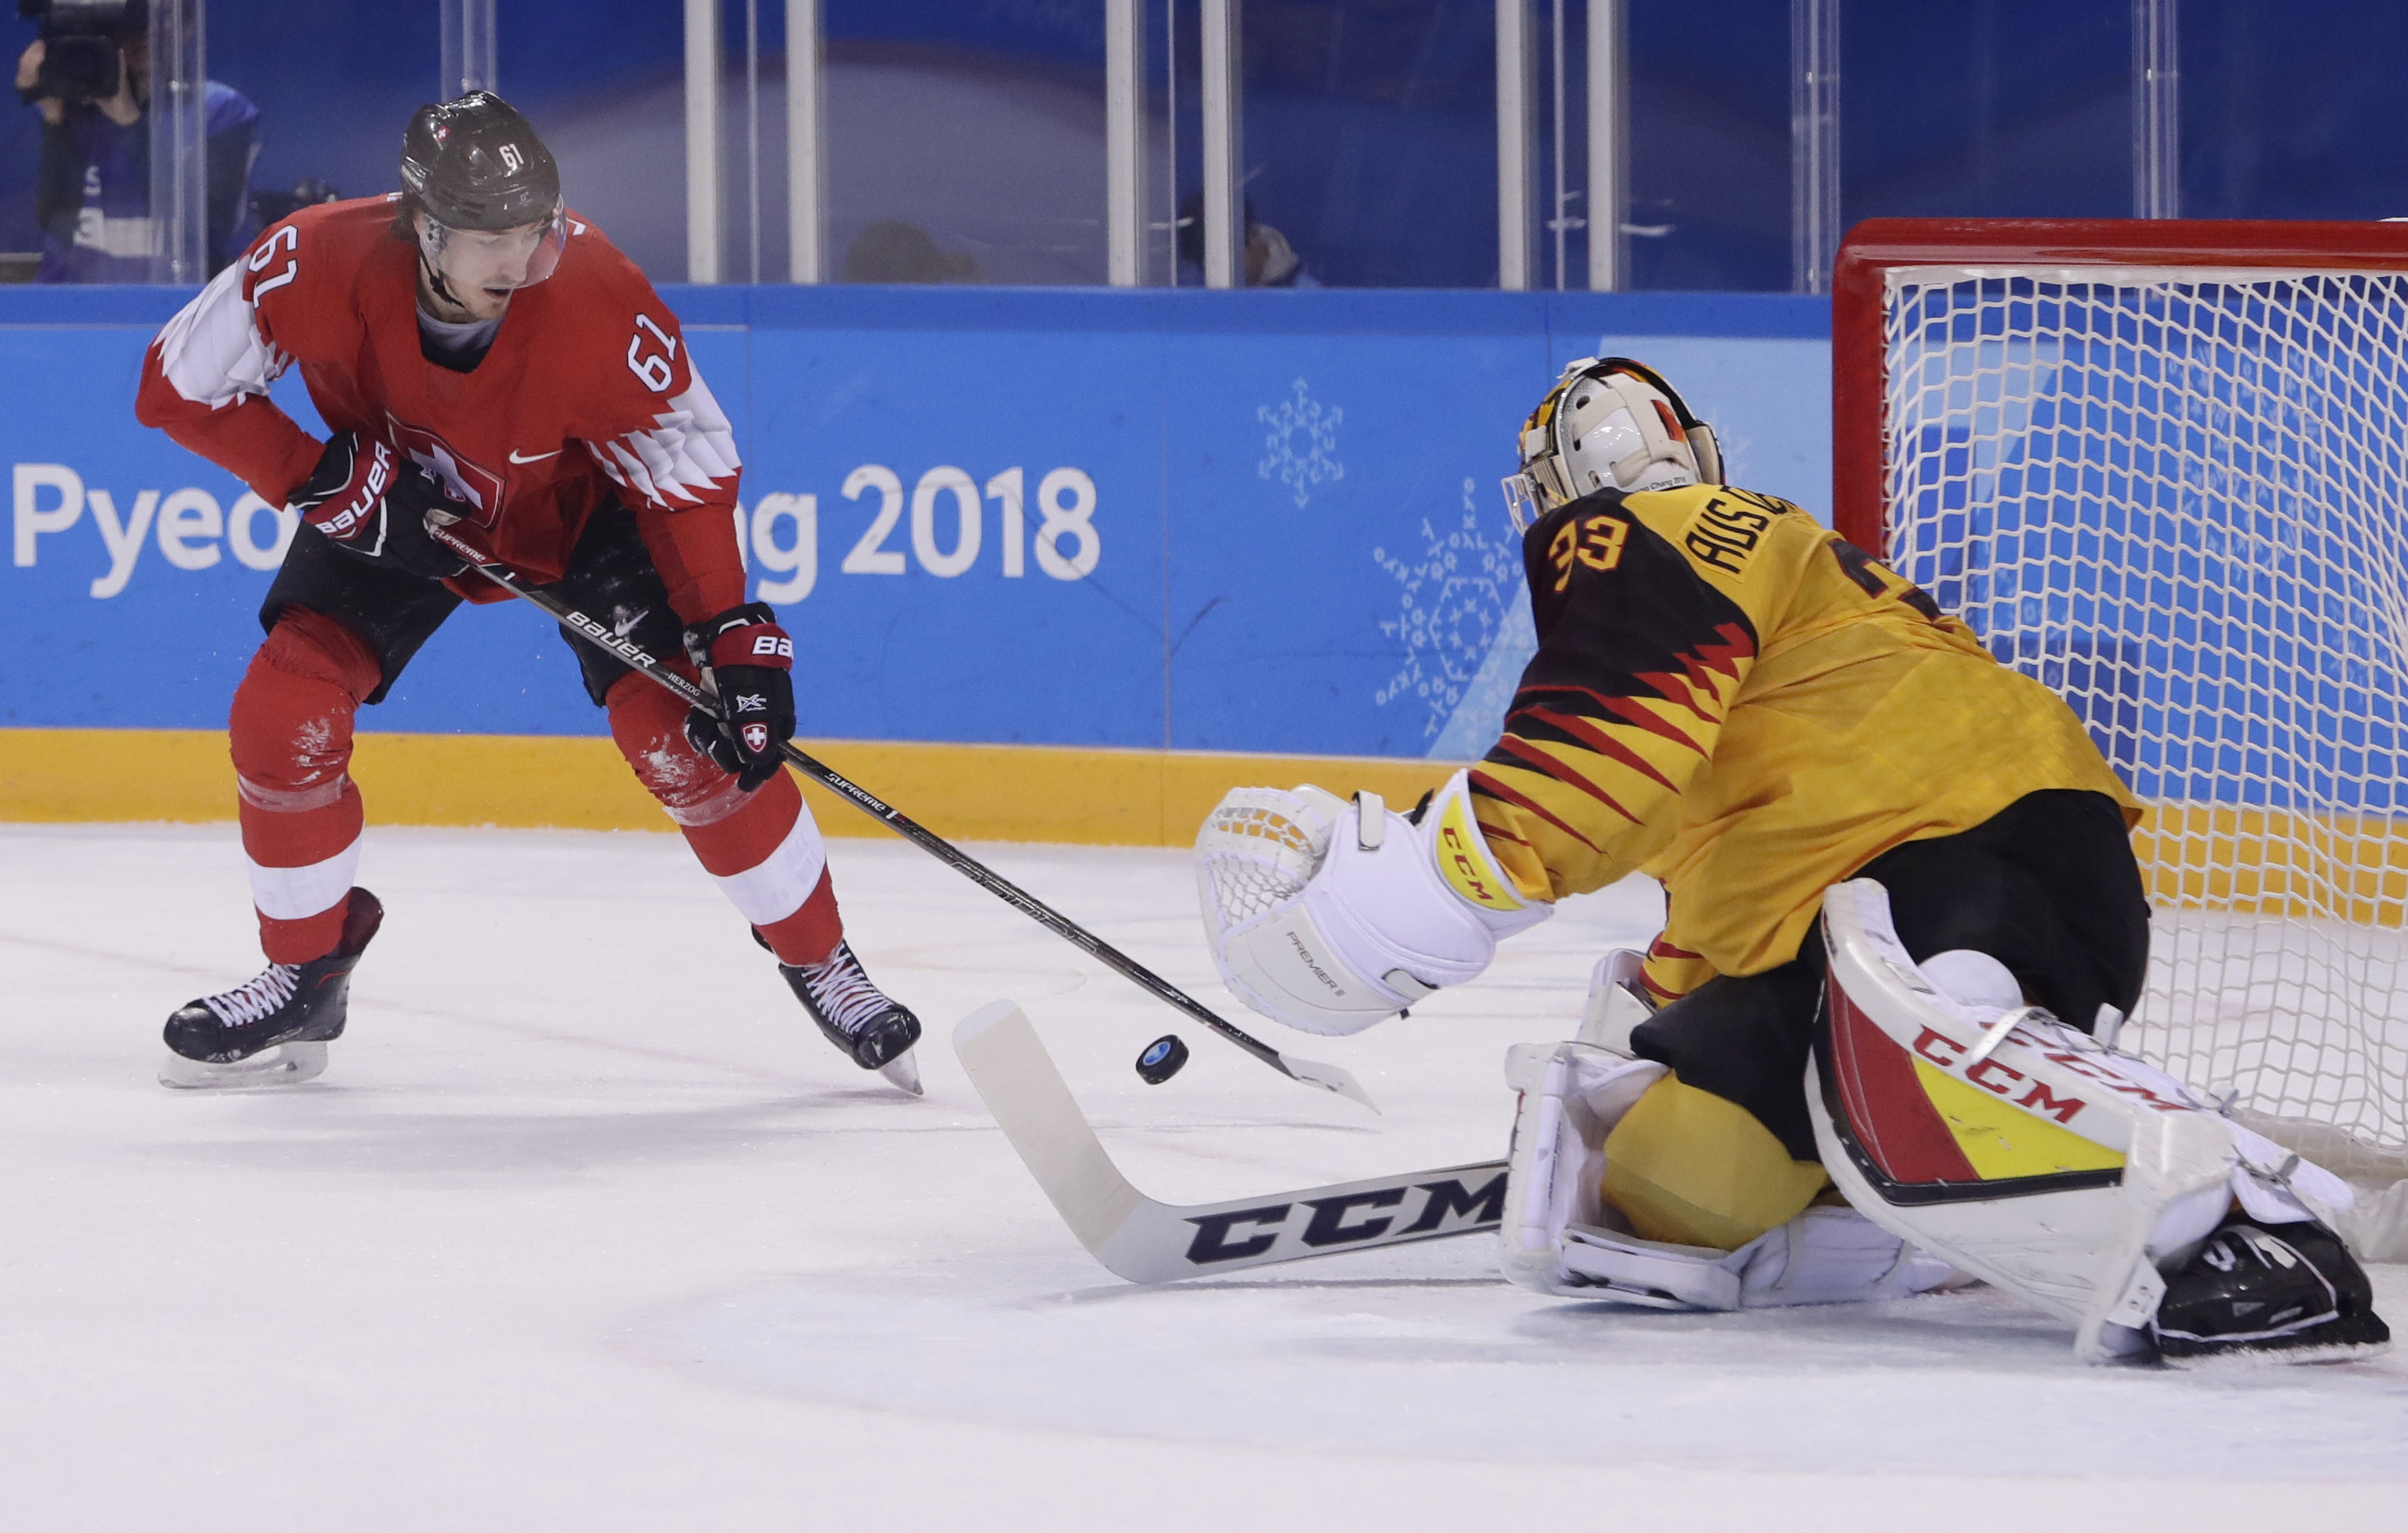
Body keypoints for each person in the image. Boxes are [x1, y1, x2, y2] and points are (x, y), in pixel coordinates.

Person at [1191, 356, 2388, 1362]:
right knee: (1663, 1189)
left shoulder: (1638, 539)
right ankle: (1934, 1207)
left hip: (1957, 853)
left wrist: (1393, 913)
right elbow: (1719, 870)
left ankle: (2246, 1219)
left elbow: (1587, 753)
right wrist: (1644, 1034)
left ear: (1559, 495)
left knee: (1925, 1034)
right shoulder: (1765, 612)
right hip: (1943, 872)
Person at [133, 92, 921, 1092]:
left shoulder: (595, 294)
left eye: (533, 229)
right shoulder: (313, 259)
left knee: (678, 734)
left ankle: (822, 960)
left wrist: (727, 625)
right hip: (394, 499)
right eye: (492, 236)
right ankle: (303, 969)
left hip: (581, 509)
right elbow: (175, 383)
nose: (521, 256)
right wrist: (319, 477)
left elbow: (684, 462)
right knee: (280, 707)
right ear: (424, 228)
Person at [16, 2, 258, 281]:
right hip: (72, 302)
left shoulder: (221, 110)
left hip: (173, 307)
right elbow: (57, 224)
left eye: (160, 23)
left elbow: (211, 228)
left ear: (188, 29)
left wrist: (129, 121)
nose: (146, 35)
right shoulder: (71, 105)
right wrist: (54, 118)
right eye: (131, 25)